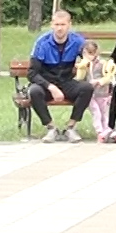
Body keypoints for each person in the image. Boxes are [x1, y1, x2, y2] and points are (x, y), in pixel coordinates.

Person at [24, 9, 91, 142]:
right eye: (57, 25)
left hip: (67, 81)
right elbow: (32, 73)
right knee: (34, 91)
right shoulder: (42, 43)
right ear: (52, 25)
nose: (59, 28)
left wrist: (85, 62)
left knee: (87, 88)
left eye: (63, 25)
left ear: (69, 25)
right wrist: (51, 87)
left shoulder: (77, 41)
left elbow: (89, 57)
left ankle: (71, 127)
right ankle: (51, 128)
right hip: (46, 82)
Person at [77, 39, 112, 141]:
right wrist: (82, 68)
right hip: (91, 95)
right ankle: (99, 131)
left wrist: (100, 81)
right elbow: (79, 78)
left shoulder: (103, 64)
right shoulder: (83, 65)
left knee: (104, 113)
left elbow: (108, 77)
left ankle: (107, 131)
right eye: (86, 53)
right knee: (96, 112)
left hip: (103, 93)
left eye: (91, 53)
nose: (88, 56)